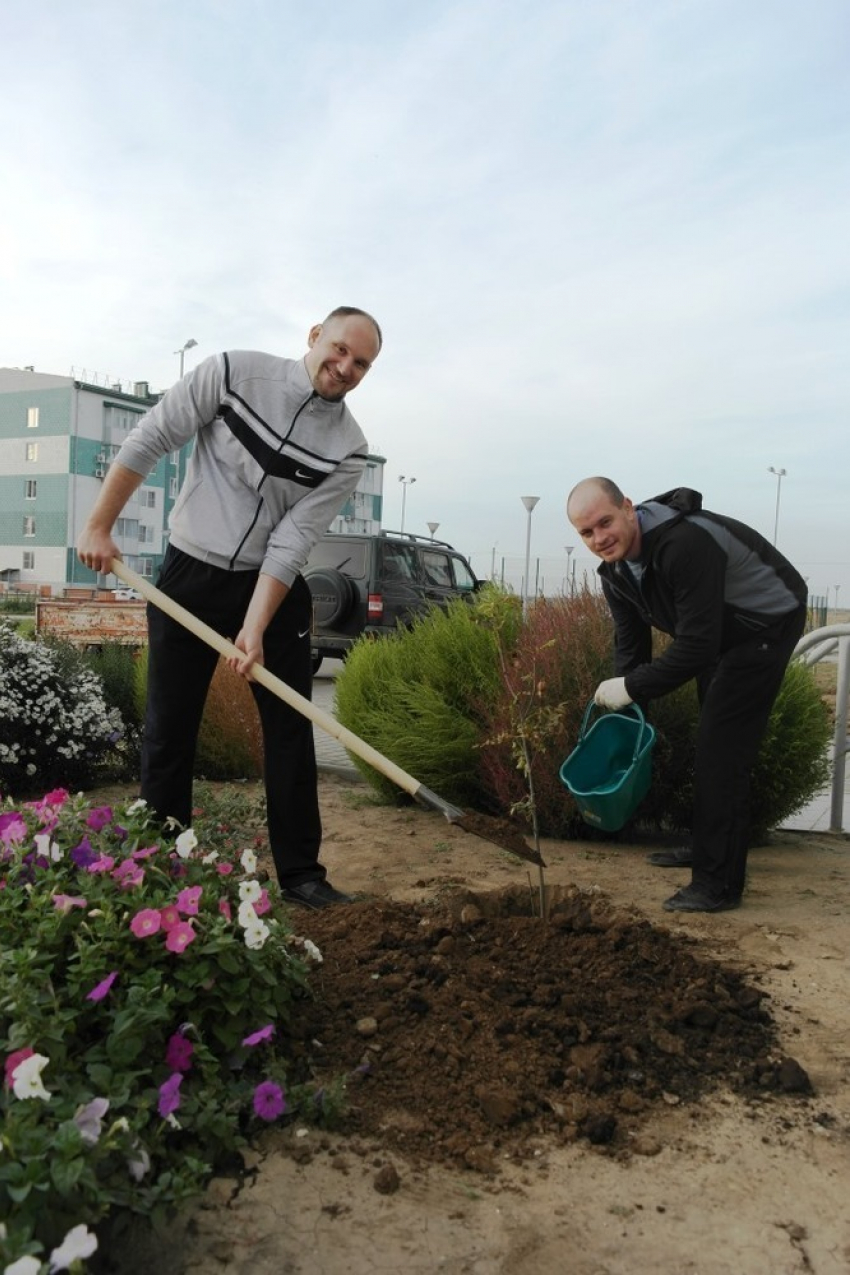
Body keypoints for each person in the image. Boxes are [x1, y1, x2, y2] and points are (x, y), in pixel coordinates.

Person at [77, 306, 382, 909]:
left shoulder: (349, 448)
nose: (345, 367)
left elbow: (294, 538)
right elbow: (152, 435)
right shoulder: (232, 373)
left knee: (290, 731)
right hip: (189, 573)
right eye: (341, 349)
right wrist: (99, 526)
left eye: (362, 364)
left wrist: (256, 625)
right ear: (315, 336)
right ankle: (163, 865)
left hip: (271, 589)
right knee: (169, 728)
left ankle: (301, 876)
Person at [566, 477, 807, 914]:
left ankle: (717, 885)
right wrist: (628, 721)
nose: (600, 538)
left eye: (605, 522)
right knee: (712, 740)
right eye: (587, 532)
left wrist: (632, 687)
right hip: (720, 634)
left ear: (627, 506)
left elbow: (695, 646)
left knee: (723, 751)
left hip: (765, 625)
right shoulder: (615, 573)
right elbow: (631, 649)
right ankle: (708, 847)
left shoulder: (684, 545)